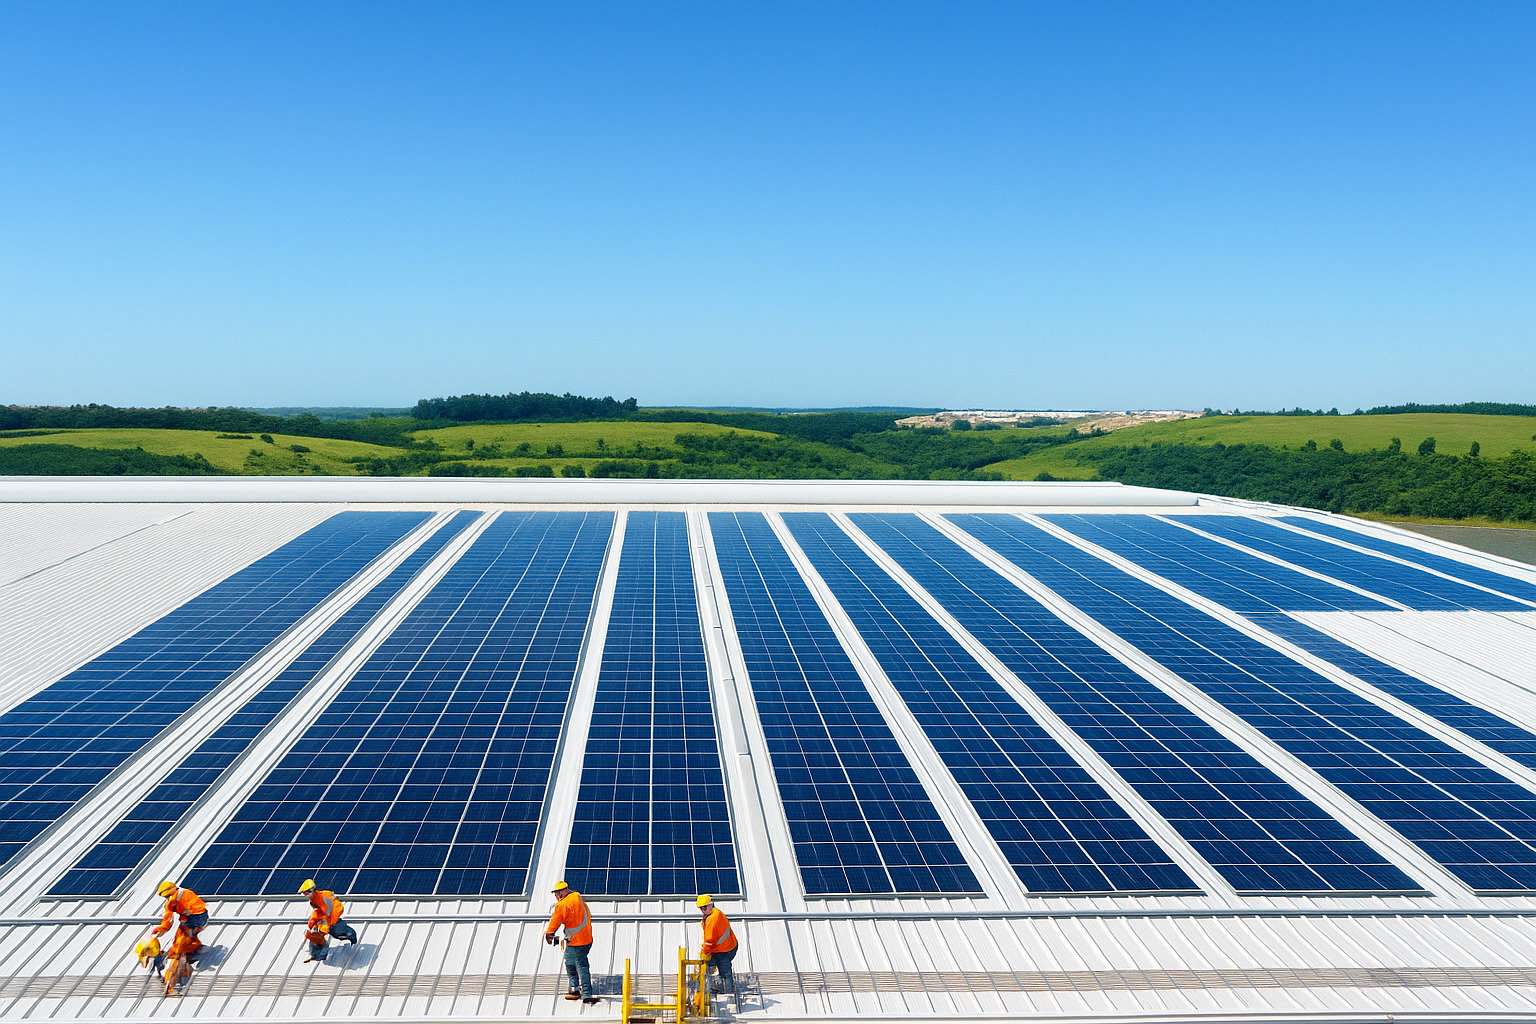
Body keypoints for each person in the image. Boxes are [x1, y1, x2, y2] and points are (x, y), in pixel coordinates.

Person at [544, 881, 599, 1004]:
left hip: (576, 942)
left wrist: (549, 933)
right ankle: (574, 989)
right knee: (570, 962)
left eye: (556, 893)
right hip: (587, 939)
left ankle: (587, 994)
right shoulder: (577, 896)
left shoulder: (561, 906)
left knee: (580, 966)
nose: (556, 896)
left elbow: (555, 921)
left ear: (561, 892)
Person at [150, 881, 208, 996]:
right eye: (165, 897)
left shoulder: (186, 894)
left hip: (196, 919)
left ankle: (185, 958)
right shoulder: (170, 902)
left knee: (182, 945)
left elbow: (198, 910)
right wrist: (162, 929)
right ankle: (175, 967)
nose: (167, 898)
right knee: (178, 944)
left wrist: (189, 921)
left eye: (167, 896)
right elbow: (168, 918)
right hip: (187, 921)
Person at [696, 894, 741, 1011]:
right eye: (701, 908)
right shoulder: (715, 912)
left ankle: (728, 991)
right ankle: (719, 983)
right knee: (715, 966)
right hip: (727, 946)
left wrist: (705, 953)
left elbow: (710, 941)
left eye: (704, 907)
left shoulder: (712, 919)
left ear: (710, 904)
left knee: (725, 971)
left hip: (725, 950)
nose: (702, 910)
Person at [298, 878, 358, 962]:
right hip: (326, 920)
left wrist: (329, 925)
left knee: (338, 931)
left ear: (311, 890)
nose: (305, 895)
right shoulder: (313, 901)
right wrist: (313, 924)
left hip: (333, 918)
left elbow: (333, 910)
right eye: (304, 893)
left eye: (306, 893)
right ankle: (318, 956)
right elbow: (317, 913)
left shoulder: (324, 896)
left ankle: (352, 936)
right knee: (316, 938)